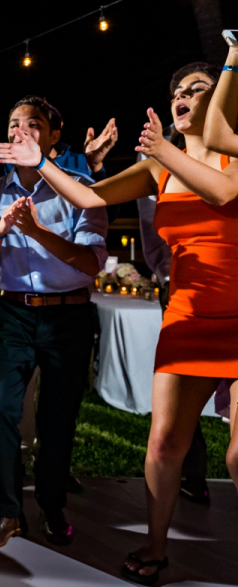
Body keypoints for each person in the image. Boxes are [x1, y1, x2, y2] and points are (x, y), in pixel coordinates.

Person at [0, 61, 238, 584]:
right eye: (176, 91)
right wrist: (44, 163)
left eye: (198, 89)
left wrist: (165, 150)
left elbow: (223, 194)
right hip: (188, 315)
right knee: (165, 443)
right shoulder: (157, 169)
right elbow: (88, 196)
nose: (182, 96)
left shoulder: (232, 154)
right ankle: (155, 543)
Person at [0, 95, 107, 550]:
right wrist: (0, 231)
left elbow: (90, 263)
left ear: (52, 136)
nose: (20, 130)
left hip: (69, 314)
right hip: (12, 311)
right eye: (13, 123)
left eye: (33, 123)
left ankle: (51, 505)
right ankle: (7, 513)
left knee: (57, 417)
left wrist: (35, 230)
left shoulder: (82, 188)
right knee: (0, 408)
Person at [137, 148, 211, 505]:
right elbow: (152, 232)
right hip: (183, 291)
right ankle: (193, 475)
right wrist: (167, 276)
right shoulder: (158, 163)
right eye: (178, 90)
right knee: (177, 408)